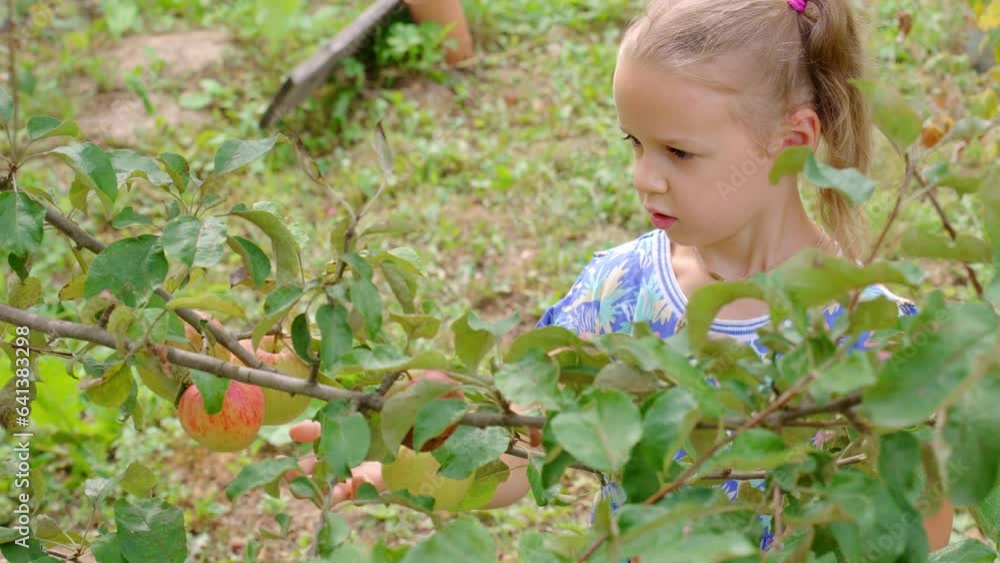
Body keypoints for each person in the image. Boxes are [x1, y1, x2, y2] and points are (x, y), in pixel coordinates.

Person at [288, 0, 955, 553]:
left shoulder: (873, 334)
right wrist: (403, 469)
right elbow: (523, 451)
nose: (645, 177)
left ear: (792, 145)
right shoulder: (620, 289)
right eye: (633, 144)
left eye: (678, 151)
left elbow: (917, 527)